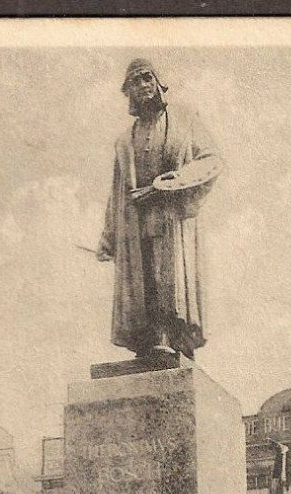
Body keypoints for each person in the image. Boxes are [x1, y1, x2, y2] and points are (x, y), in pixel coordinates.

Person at [97, 58, 222, 360]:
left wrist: (169, 183)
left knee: (169, 281)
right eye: (134, 83)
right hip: (135, 224)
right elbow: (117, 194)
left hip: (171, 218)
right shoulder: (124, 141)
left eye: (146, 79)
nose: (142, 87)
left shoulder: (185, 120)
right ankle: (149, 342)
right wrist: (108, 237)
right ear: (128, 93)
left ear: (157, 81)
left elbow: (211, 160)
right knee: (142, 285)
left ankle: (172, 339)